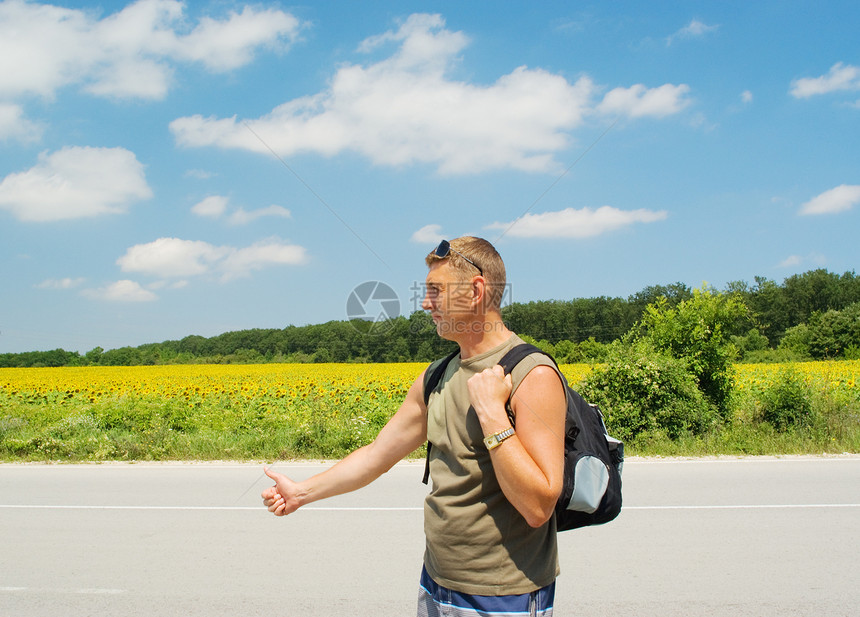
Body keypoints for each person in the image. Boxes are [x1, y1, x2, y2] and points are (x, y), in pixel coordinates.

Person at [262, 236, 567, 616]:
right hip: (436, 582)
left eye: (436, 291)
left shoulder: (531, 374)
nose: (425, 303)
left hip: (503, 595)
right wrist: (302, 493)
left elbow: (539, 505)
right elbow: (376, 455)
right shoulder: (437, 375)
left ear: (475, 292)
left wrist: (491, 414)